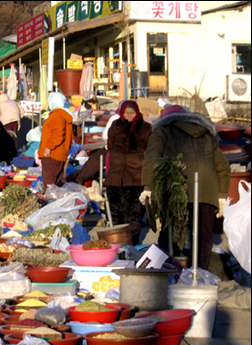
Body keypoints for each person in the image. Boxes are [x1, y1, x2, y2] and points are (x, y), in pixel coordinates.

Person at [140, 105, 230, 270]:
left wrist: (148, 187)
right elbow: (222, 165)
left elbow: (152, 158)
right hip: (207, 189)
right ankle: (200, 273)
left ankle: (167, 271)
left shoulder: (162, 131)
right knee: (203, 236)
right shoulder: (207, 133)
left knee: (171, 233)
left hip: (177, 187)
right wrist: (222, 194)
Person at [104, 100, 152, 246]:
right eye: (127, 113)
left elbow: (150, 150)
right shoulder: (115, 126)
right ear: (122, 113)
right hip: (116, 177)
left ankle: (132, 244)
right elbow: (111, 146)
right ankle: (116, 245)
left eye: (132, 113)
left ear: (137, 113)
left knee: (133, 215)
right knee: (115, 213)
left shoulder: (146, 128)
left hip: (135, 177)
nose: (129, 116)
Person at [76, 102, 122, 185]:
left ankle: (80, 179)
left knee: (95, 159)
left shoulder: (116, 117)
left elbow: (105, 136)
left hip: (114, 149)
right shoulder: (137, 120)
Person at [38, 92, 75, 190]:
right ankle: (61, 202)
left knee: (50, 184)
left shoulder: (56, 115)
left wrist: (49, 147)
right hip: (60, 155)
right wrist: (65, 150)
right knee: (59, 182)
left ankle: (52, 203)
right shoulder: (66, 116)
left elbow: (58, 133)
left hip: (51, 155)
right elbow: (70, 137)